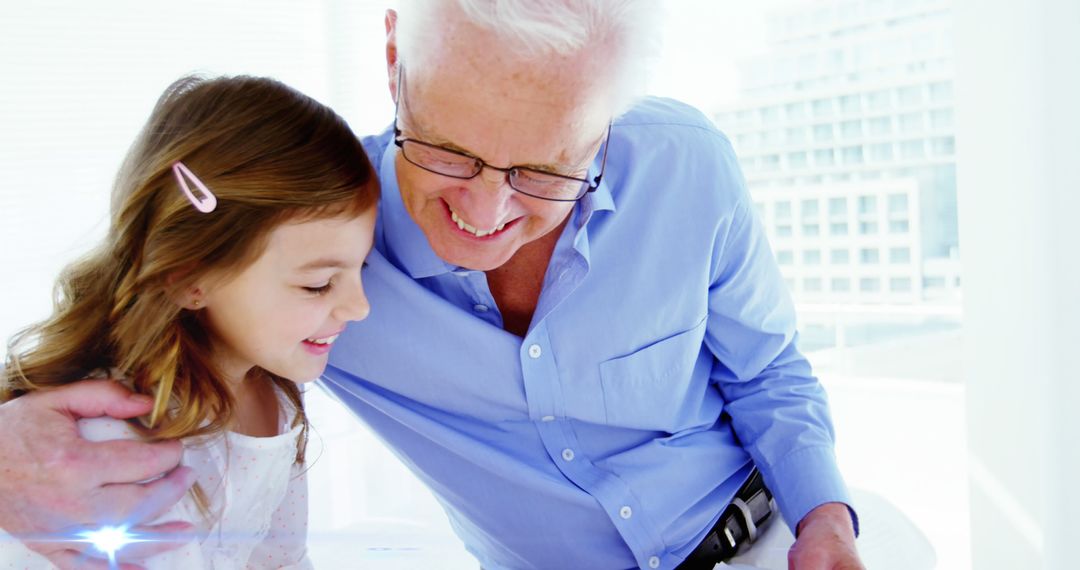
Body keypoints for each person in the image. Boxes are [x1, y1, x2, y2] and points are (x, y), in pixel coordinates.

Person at [0, 2, 865, 569]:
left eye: (546, 167)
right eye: (449, 150)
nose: (487, 212)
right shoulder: (327, 255)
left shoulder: (686, 168)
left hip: (769, 537)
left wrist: (825, 516)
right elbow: (156, 303)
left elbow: (768, 372)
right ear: (391, 60)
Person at [0, 75, 379, 569]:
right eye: (318, 284)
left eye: (360, 269)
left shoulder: (274, 393)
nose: (360, 307)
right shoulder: (121, 440)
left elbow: (282, 559)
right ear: (190, 279)